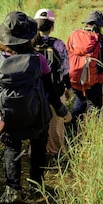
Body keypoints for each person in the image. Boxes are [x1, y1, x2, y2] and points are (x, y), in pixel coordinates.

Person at [0, 11, 69, 204]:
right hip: (36, 118)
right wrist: (61, 110)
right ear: (29, 38)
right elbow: (50, 89)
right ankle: (36, 186)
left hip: (5, 118)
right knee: (38, 146)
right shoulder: (38, 60)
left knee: (12, 148)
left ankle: (12, 190)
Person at [66, 11, 103, 135]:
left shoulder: (74, 35)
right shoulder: (102, 40)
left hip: (75, 78)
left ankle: (73, 131)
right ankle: (94, 133)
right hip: (94, 80)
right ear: (99, 25)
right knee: (95, 106)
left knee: (79, 101)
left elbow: (66, 56)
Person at [32, 8, 72, 161]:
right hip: (55, 90)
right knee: (56, 124)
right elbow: (65, 69)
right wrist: (67, 87)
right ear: (52, 26)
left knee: (37, 124)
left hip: (35, 91)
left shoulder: (29, 44)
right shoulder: (58, 44)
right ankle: (56, 152)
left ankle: (36, 152)